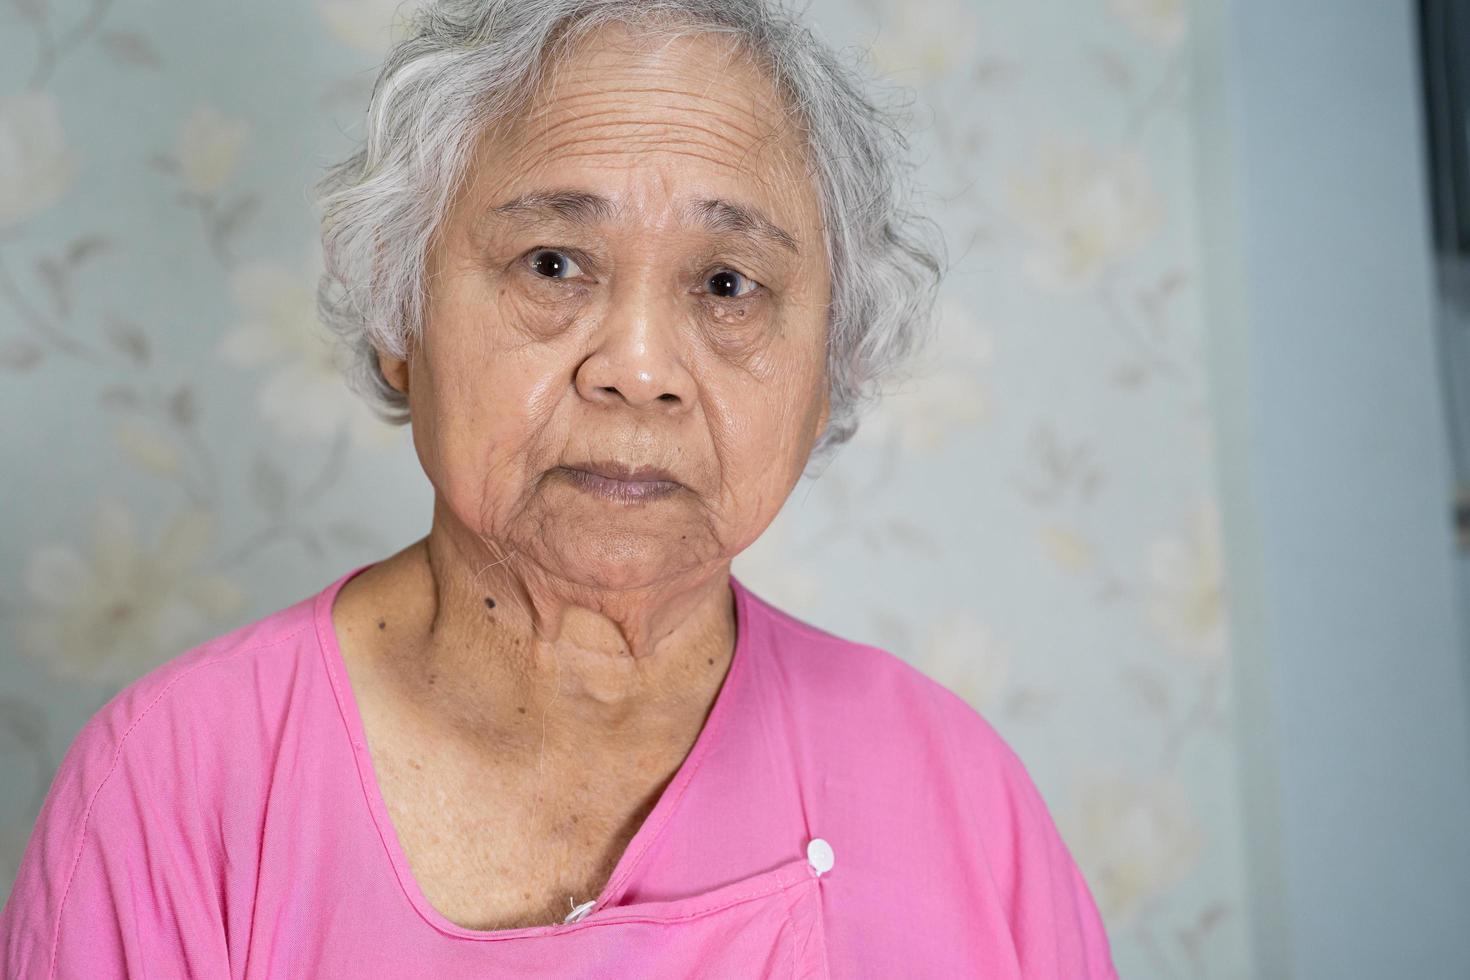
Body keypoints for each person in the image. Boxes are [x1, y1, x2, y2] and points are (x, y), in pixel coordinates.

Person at [0, 0, 1118, 975]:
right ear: (401, 314)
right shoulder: (171, 787)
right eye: (552, 264)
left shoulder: (958, 792)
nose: (637, 366)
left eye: (728, 284)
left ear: (829, 370)